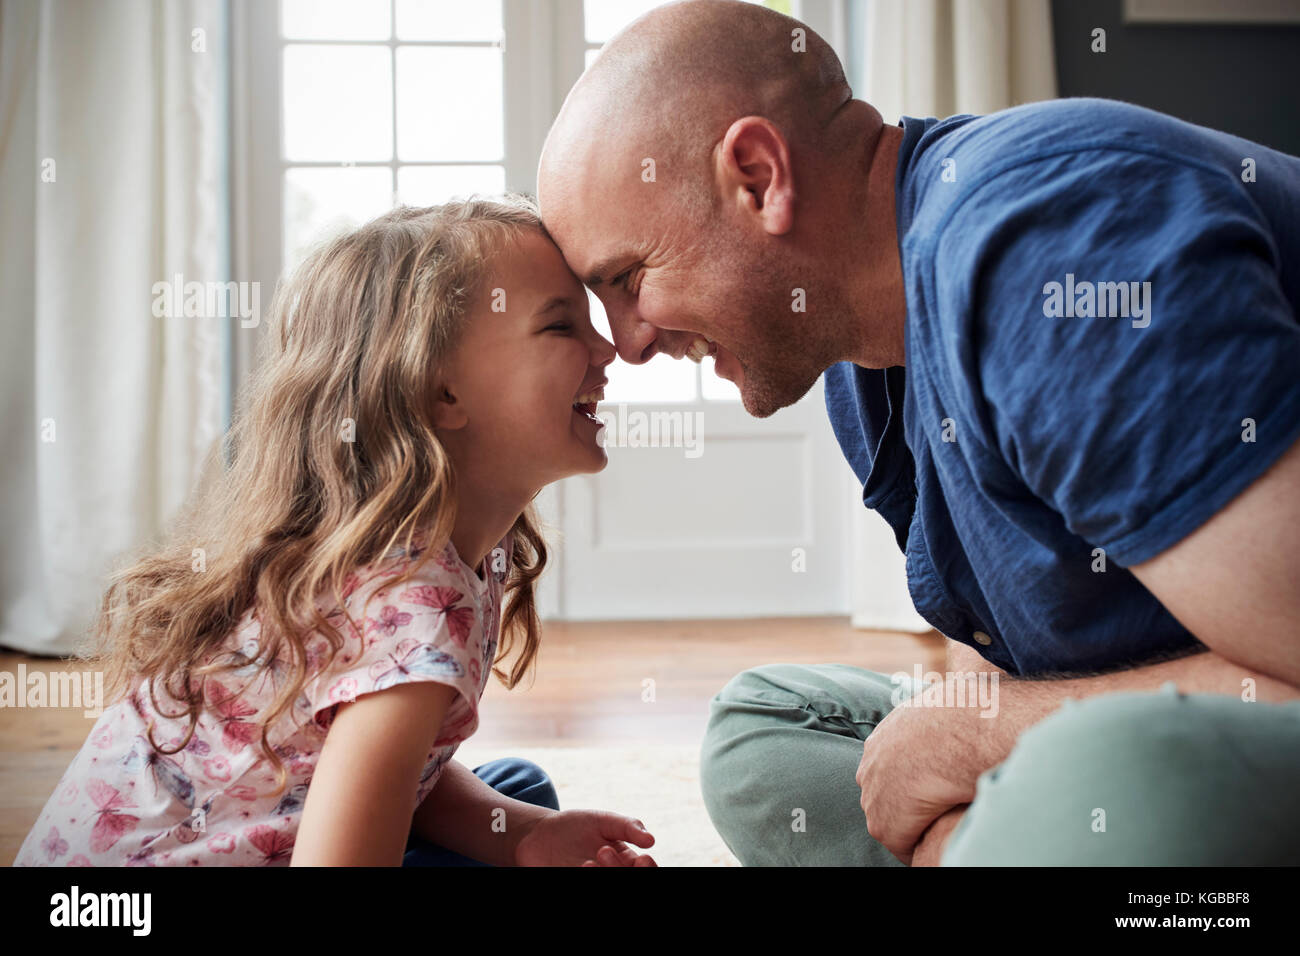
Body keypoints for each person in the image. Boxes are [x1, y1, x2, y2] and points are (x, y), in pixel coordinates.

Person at [536, 0, 1300, 865]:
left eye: (630, 276)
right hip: (1161, 723)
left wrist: (985, 742)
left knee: (1098, 771)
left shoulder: (1044, 252)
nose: (629, 342)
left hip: (1211, 721)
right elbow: (1014, 659)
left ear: (757, 176)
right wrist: (979, 742)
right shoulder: (858, 369)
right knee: (765, 729)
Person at [14, 197, 656, 867]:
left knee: (522, 796)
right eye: (560, 327)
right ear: (441, 394)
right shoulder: (411, 606)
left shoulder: (443, 550)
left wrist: (525, 835)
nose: (608, 348)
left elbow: (394, 768)